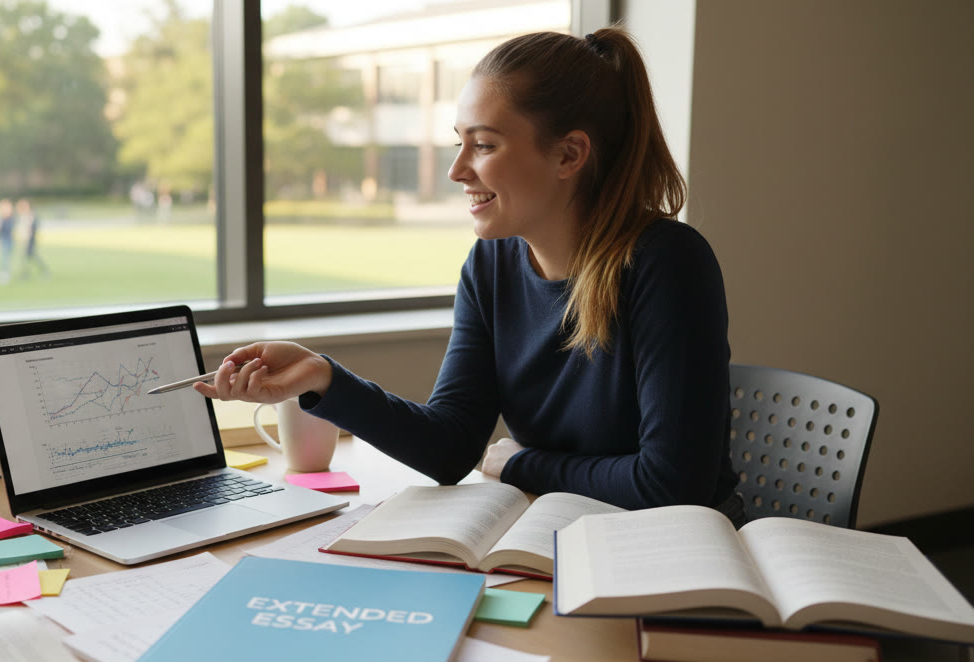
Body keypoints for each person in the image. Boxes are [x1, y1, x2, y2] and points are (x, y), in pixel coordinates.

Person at [193, 27, 742, 524]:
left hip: (678, 556)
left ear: (569, 155)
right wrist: (322, 378)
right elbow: (450, 447)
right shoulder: (492, 264)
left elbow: (673, 486)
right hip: (566, 531)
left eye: (483, 145)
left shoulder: (667, 263)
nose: (457, 170)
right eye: (460, 142)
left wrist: (525, 464)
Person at [15, 198, 50, 279]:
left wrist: (29, 235)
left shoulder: (31, 215)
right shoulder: (23, 216)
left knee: (30, 257)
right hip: (24, 240)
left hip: (30, 240)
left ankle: (42, 270)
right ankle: (26, 273)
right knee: (26, 257)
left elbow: (33, 227)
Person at [0, 198, 15, 284]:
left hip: (9, 240)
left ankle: (6, 274)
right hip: (3, 240)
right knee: (3, 258)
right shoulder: (2, 219)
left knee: (6, 258)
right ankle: (2, 274)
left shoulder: (11, 219)